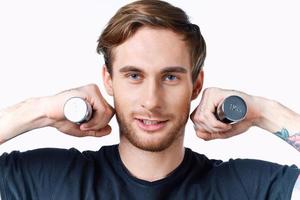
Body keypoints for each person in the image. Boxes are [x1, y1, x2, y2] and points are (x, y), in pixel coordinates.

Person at [0, 0, 299, 199]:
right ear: (108, 80)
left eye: (170, 77)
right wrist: (39, 112)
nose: (151, 101)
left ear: (196, 86)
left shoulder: (247, 187)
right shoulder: (49, 180)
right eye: (134, 76)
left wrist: (263, 112)